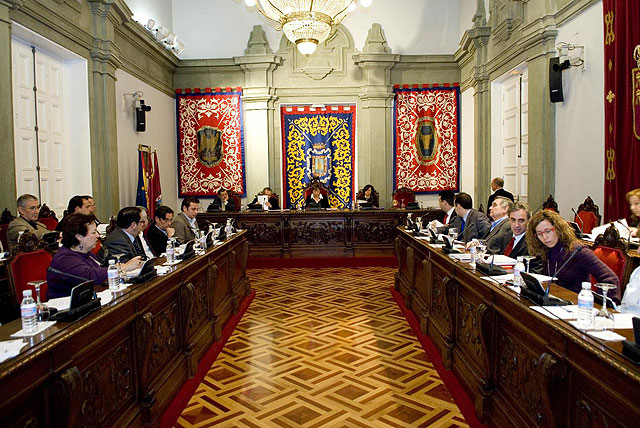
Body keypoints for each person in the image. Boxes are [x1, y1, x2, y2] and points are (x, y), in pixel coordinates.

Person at [526, 210, 621, 302]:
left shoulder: (578, 251)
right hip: (555, 302)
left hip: (577, 305)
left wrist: (596, 304)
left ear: (558, 228)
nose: (545, 237)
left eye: (548, 231)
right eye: (539, 234)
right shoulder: (545, 250)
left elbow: (611, 279)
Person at [47, 213, 141, 299]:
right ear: (79, 236)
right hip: (68, 308)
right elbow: (91, 276)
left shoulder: (86, 253)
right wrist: (124, 267)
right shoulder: (64, 259)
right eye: (93, 232)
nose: (98, 236)